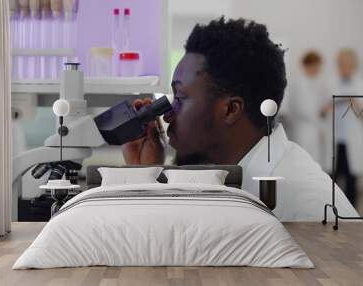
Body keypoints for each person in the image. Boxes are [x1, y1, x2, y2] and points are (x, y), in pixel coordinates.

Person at [122, 17, 358, 221]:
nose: (167, 114)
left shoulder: (300, 205)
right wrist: (146, 176)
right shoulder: (233, 174)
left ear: (230, 110)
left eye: (180, 98)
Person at [321, 49, 363, 206]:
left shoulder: (360, 83)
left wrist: (354, 103)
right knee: (333, 177)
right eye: (338, 63)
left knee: (351, 178)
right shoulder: (331, 82)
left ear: (352, 64)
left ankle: (352, 215)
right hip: (334, 137)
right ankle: (334, 212)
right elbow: (322, 109)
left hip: (351, 138)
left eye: (343, 63)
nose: (340, 66)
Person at [285, 51, 328, 166]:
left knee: (317, 164)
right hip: (302, 130)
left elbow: (323, 108)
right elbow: (301, 110)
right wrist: (321, 111)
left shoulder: (320, 83)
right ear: (307, 65)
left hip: (316, 130)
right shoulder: (297, 85)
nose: (317, 69)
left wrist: (323, 124)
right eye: (315, 65)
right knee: (303, 162)